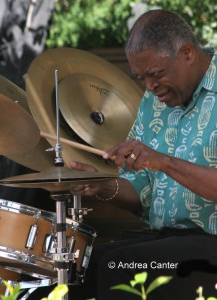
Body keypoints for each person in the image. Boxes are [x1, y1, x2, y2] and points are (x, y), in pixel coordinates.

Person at [26, 8, 217, 300]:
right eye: (141, 78)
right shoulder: (154, 102)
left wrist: (163, 161)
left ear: (188, 53)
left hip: (210, 246)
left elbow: (163, 165)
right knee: (77, 270)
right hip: (166, 242)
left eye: (155, 74)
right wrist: (104, 186)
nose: (150, 87)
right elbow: (143, 191)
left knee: (120, 267)